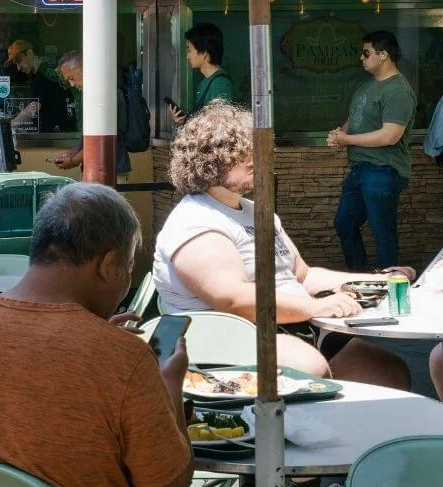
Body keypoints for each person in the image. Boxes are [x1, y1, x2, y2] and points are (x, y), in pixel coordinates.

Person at [0, 183, 194, 487]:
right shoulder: (124, 358)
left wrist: (96, 340)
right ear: (108, 264)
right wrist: (169, 383)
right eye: (127, 267)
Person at [154, 101, 413, 388]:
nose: (255, 159)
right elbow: (234, 299)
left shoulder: (256, 211)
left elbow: (304, 275)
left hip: (295, 325)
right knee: (309, 368)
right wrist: (317, 307)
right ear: (210, 161)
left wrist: (380, 280)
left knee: (388, 371)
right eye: (240, 154)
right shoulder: (197, 221)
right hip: (229, 338)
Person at [328, 30, 417, 271]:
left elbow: (390, 135)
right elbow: (354, 118)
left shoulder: (398, 89)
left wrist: (348, 139)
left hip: (384, 170)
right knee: (344, 224)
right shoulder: (366, 86)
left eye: (366, 53)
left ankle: (387, 292)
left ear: (384, 54)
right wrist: (339, 134)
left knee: (383, 233)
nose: (361, 58)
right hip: (360, 169)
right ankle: (360, 280)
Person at [51, 51, 130, 175]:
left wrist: (73, 161)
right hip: (98, 170)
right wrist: (74, 152)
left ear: (85, 70)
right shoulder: (94, 95)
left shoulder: (105, 94)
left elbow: (100, 141)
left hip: (109, 172)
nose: (71, 84)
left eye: (72, 78)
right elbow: (91, 136)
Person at [4, 39, 76, 134]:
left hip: (57, 137)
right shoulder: (43, 73)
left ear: (30, 53)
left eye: (19, 61)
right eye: (16, 64)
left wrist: (9, 126)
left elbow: (34, 107)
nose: (18, 67)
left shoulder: (42, 76)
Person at [169, 23, 233, 125]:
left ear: (204, 53)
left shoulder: (220, 85)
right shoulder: (205, 82)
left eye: (189, 50)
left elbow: (219, 129)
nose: (188, 56)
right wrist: (185, 121)